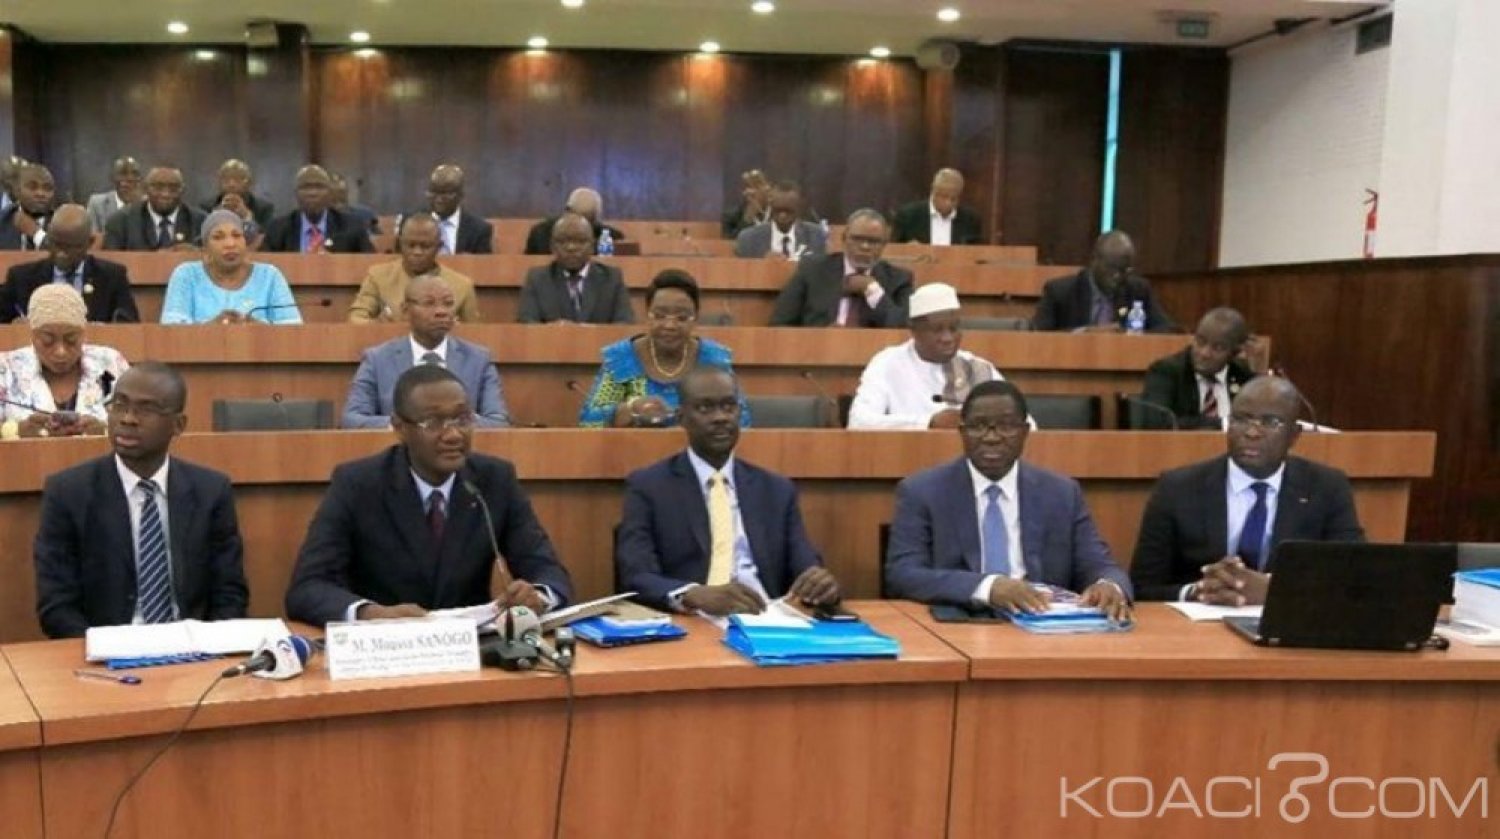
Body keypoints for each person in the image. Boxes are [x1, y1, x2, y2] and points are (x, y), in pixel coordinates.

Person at [286, 364, 572, 625]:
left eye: (462, 418)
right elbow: (308, 587)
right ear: (400, 428)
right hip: (386, 649)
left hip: (473, 649)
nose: (454, 435)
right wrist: (371, 614)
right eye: (433, 423)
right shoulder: (358, 483)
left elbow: (549, 572)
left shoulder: (495, 480)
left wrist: (539, 596)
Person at [33, 362, 249, 638]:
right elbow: (57, 606)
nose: (128, 419)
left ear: (178, 425)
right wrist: (102, 650)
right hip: (103, 650)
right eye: (119, 405)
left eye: (146, 409)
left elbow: (229, 594)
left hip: (191, 649)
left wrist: (207, 648)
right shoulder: (68, 492)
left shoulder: (211, 491)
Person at [885, 380, 1132, 619]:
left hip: (1043, 623)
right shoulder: (922, 491)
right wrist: (988, 587)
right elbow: (903, 574)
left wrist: (1109, 585)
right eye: (978, 426)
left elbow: (1098, 563)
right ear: (962, 432)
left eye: (1005, 426)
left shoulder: (1061, 493)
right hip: (961, 623)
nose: (991, 437)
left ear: (1025, 432)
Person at [616, 366, 841, 615]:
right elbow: (636, 575)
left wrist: (818, 584)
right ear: (682, 418)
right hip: (691, 619)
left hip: (765, 617)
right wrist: (691, 594)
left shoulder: (776, 490)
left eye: (728, 406)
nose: (720, 417)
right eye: (705, 408)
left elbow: (805, 565)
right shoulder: (649, 486)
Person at [1129, 376, 1365, 604]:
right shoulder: (1177, 488)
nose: (1252, 432)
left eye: (1270, 422)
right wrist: (1197, 592)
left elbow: (1353, 576)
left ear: (1294, 435)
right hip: (1198, 624)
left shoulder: (1327, 488)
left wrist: (1273, 588)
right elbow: (1142, 586)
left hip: (1285, 622)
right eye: (1241, 419)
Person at [578, 270, 749, 428]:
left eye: (681, 317)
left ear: (695, 318)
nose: (669, 325)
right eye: (660, 316)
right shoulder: (621, 359)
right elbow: (589, 423)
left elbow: (742, 421)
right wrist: (631, 409)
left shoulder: (714, 361)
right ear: (647, 315)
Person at [848, 283, 1030, 430]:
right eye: (937, 330)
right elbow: (859, 423)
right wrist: (928, 423)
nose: (948, 338)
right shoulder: (887, 363)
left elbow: (1027, 424)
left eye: (954, 329)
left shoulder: (977, 367)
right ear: (914, 330)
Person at [342, 274, 509, 428]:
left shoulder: (478, 359)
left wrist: (453, 423)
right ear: (406, 310)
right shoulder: (377, 359)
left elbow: (498, 421)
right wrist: (408, 426)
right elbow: (352, 419)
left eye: (448, 304)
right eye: (429, 303)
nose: (441, 312)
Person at [0, 283, 130, 438]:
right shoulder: (6, 368)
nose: (60, 352)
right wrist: (15, 431)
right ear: (33, 335)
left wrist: (106, 431)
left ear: (83, 334)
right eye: (48, 340)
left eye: (71, 340)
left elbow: (140, 423)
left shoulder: (110, 363)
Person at [770, 209, 913, 327]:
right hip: (817, 350)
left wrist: (872, 289)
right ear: (844, 239)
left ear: (884, 245)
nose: (865, 246)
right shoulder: (812, 270)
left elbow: (904, 328)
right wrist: (821, 338)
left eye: (873, 242)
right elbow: (780, 324)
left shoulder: (899, 280)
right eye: (857, 239)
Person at [0, 204, 139, 323]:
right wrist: (14, 326)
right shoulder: (20, 277)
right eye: (56, 244)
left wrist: (104, 331)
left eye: (69, 247)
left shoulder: (112, 276)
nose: (61, 254)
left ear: (89, 243)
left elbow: (129, 324)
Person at [160, 210, 302, 324]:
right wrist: (211, 328)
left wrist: (257, 328)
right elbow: (171, 326)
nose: (230, 244)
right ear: (205, 249)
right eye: (218, 237)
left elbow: (293, 326)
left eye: (236, 235)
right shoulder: (186, 274)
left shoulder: (269, 276)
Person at [348, 213, 481, 323]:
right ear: (400, 244)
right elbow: (356, 319)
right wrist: (378, 325)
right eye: (410, 245)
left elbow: (474, 334)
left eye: (425, 246)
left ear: (439, 247)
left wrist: (455, 330)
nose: (417, 252)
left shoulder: (462, 285)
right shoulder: (378, 276)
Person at [1032, 230, 1175, 332]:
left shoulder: (1138, 290)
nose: (1117, 276)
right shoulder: (1060, 292)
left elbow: (1166, 330)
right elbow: (1039, 335)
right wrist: (1084, 334)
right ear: (1094, 260)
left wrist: (1129, 335)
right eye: (1111, 269)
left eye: (1124, 270)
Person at [1139, 307, 1257, 430]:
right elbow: (1158, 423)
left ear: (1235, 352)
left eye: (1217, 348)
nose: (1204, 353)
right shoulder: (1166, 371)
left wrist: (1258, 375)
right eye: (1200, 342)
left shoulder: (1243, 376)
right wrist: (1223, 424)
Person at [518, 212, 633, 323]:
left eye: (580, 241)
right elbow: (526, 322)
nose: (571, 247)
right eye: (562, 242)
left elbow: (625, 323)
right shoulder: (538, 279)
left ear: (593, 246)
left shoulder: (612, 279)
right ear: (552, 247)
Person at [261, 165, 375, 253]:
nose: (313, 193)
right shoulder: (277, 229)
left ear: (330, 193)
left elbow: (369, 263)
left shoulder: (352, 227)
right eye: (305, 187)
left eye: (319, 187)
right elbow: (263, 266)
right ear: (296, 194)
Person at [102, 166, 206, 251]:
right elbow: (111, 263)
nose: (165, 194)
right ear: (145, 188)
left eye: (173, 188)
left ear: (182, 190)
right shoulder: (120, 222)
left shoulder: (200, 222)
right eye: (158, 187)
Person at [732, 181, 827, 260]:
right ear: (771, 207)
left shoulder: (815, 236)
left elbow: (821, 273)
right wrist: (762, 265)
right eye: (777, 210)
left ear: (798, 209)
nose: (782, 215)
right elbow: (740, 273)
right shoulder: (748, 239)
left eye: (788, 211)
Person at [891, 168, 983, 246]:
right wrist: (908, 249)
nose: (948, 203)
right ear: (933, 191)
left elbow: (977, 253)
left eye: (953, 199)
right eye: (944, 196)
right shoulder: (908, 216)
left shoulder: (970, 220)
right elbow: (893, 251)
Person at [523, 187, 625, 255]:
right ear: (567, 211)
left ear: (596, 219)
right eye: (577, 218)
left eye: (588, 220)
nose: (580, 225)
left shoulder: (610, 237)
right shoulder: (541, 233)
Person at [426, 164, 492, 254]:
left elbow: (484, 262)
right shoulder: (411, 223)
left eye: (445, 193)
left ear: (461, 195)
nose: (438, 199)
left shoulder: (479, 230)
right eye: (433, 192)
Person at [201, 158, 276, 232]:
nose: (231, 184)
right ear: (219, 182)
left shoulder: (264, 209)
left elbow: (267, 236)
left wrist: (247, 217)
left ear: (248, 183)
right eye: (226, 179)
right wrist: (215, 217)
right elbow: (201, 236)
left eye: (238, 179)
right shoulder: (206, 207)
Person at [0, 163, 57, 251]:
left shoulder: (63, 223)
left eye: (47, 188)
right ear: (17, 191)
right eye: (32, 187)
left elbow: (65, 255)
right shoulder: (3, 220)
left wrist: (36, 233)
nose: (40, 193)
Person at [85, 156, 143, 236]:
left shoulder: (146, 205)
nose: (129, 179)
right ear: (113, 178)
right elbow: (91, 237)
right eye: (123, 174)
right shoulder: (97, 204)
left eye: (134, 174)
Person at [721, 168, 772, 238]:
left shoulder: (779, 213)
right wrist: (747, 220)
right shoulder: (730, 217)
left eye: (757, 186)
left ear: (769, 189)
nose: (751, 191)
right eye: (748, 186)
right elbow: (730, 242)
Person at [329, 171, 381, 236]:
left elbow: (378, 237)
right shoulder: (322, 219)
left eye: (342, 191)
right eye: (334, 192)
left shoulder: (365, 214)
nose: (340, 196)